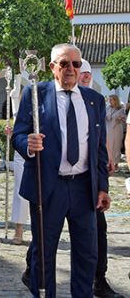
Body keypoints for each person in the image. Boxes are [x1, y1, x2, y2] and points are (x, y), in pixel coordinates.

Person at [12, 44, 110, 298]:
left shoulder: (94, 100)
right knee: (43, 254)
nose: (70, 69)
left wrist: (102, 187)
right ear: (53, 66)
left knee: (87, 254)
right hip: (48, 185)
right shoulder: (35, 94)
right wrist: (28, 144)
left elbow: (99, 148)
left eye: (76, 64)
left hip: (83, 188)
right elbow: (19, 134)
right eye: (64, 64)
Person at [79, 61, 124, 298]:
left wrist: (107, 157)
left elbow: (100, 135)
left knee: (99, 230)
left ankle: (99, 279)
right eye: (82, 73)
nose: (86, 77)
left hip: (90, 178)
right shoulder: (56, 100)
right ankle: (32, 268)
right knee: (49, 230)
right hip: (61, 178)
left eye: (88, 73)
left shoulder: (95, 101)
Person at [106, 95, 126, 169]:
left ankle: (116, 163)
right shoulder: (107, 108)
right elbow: (104, 116)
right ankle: (109, 162)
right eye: (109, 99)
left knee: (117, 146)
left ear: (115, 100)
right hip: (108, 128)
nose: (109, 101)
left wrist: (121, 118)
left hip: (117, 129)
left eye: (111, 100)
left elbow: (124, 118)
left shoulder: (121, 109)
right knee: (109, 145)